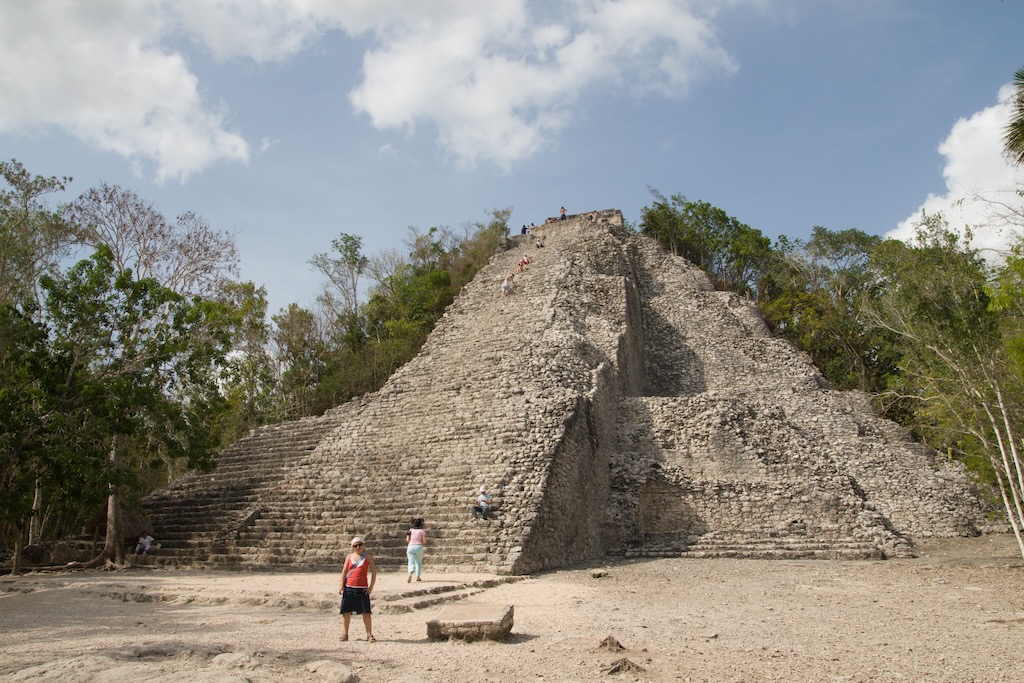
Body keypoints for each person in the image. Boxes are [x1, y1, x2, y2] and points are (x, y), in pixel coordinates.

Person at [339, 536, 377, 642]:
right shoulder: (349, 557)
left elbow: (374, 572)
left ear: (363, 545)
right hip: (349, 587)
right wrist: (341, 585)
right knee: (346, 612)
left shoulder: (367, 557)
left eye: (360, 545)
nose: (358, 547)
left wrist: (371, 587)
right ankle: (345, 634)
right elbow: (344, 571)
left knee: (366, 613)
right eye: (356, 545)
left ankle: (369, 634)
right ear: (352, 547)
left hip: (362, 589)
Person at [405, 518, 426, 583]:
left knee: (410, 561)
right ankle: (417, 576)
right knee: (418, 562)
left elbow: (407, 540)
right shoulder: (422, 531)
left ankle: (410, 573)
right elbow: (424, 541)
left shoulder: (410, 530)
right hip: (418, 547)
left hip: (410, 547)